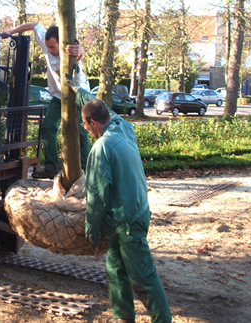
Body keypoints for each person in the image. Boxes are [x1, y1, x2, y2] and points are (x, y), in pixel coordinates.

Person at [73, 76, 171, 322]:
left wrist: (91, 227)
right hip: (133, 212)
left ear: (92, 122)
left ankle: (163, 319)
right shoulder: (123, 126)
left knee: (143, 277)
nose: (85, 129)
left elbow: (96, 194)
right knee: (116, 270)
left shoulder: (100, 148)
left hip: (127, 222)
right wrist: (78, 90)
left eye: (85, 125)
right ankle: (123, 317)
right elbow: (102, 107)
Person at [4, 22, 91, 179]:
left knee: (81, 133)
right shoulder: (47, 41)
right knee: (47, 128)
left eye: (53, 47)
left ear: (61, 43)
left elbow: (79, 54)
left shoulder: (71, 54)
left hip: (77, 94)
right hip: (59, 95)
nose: (49, 51)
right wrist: (11, 31)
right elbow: (34, 24)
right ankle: (51, 168)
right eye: (48, 47)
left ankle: (86, 171)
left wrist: (81, 53)